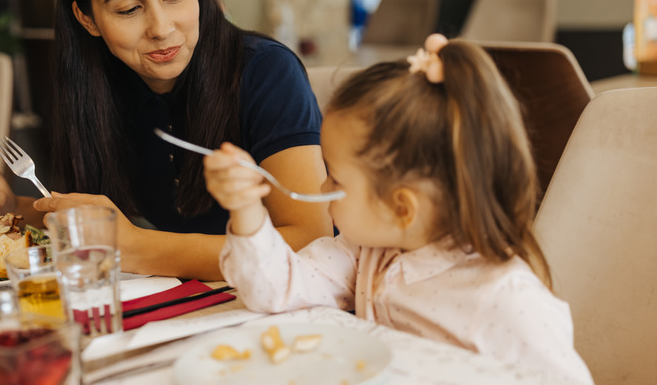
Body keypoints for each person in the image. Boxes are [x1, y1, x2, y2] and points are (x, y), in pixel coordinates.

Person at [204, 35, 593, 383]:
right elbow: (273, 289)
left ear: (402, 208)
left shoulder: (506, 302)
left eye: (335, 179)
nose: (322, 186)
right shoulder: (365, 252)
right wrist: (246, 207)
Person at [0, 0, 332, 280]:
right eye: (129, 8)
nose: (162, 28)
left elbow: (312, 239)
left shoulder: (266, 72)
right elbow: (98, 222)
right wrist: (10, 208)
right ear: (86, 18)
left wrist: (136, 248)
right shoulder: (96, 88)